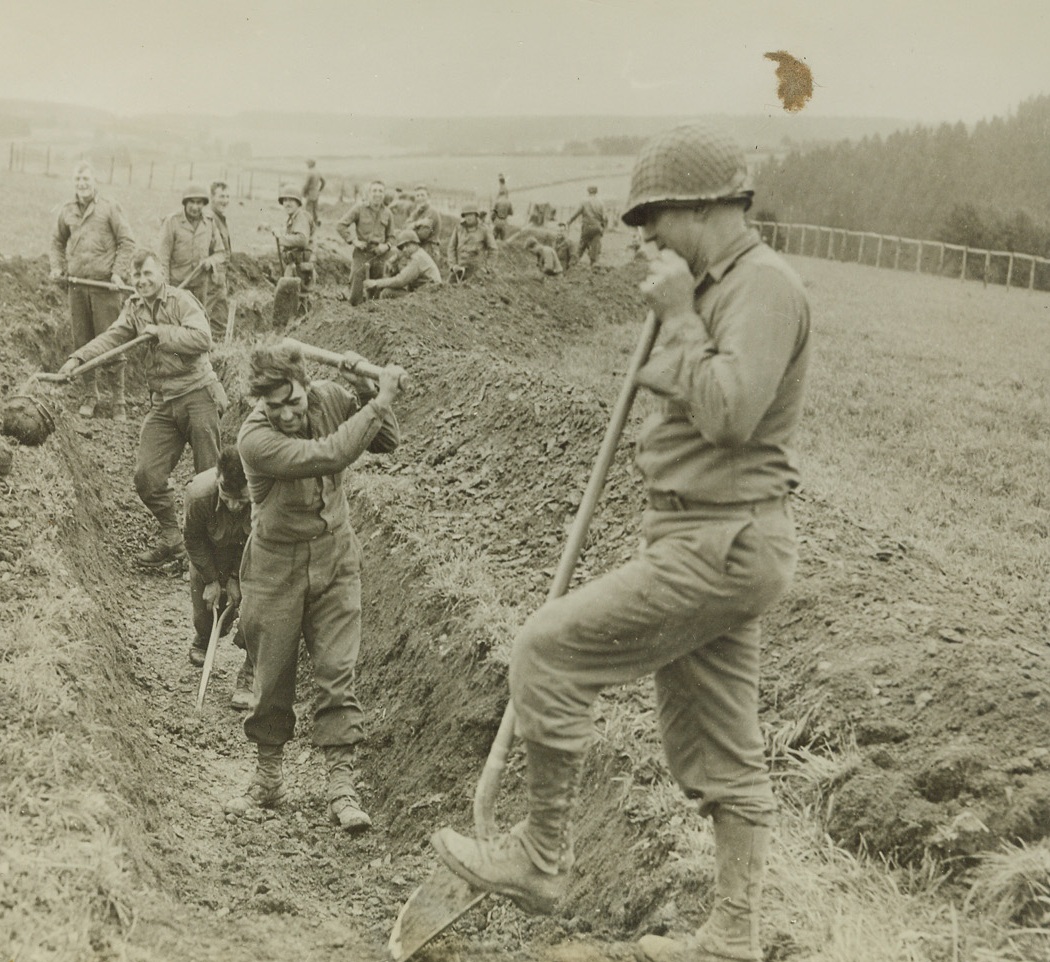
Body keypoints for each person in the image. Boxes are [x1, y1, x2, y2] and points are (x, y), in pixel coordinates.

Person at [431, 122, 811, 962]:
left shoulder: (764, 288)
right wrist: (683, 313)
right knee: (720, 746)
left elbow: (729, 413)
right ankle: (732, 938)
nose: (641, 237)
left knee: (548, 650)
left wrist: (678, 317)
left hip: (722, 538)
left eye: (653, 219)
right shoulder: (717, 286)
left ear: (705, 207)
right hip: (699, 532)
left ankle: (540, 859)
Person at [225, 339, 406, 833]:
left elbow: (386, 441)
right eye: (274, 406)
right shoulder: (254, 440)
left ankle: (341, 786)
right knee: (272, 675)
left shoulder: (328, 397)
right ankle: (268, 778)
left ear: (307, 385)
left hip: (336, 557)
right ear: (258, 404)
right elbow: (327, 455)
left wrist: (368, 387)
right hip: (273, 565)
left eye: (294, 400)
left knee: (336, 671)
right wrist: (381, 400)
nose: (286, 413)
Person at [58, 249, 227, 567]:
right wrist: (77, 359)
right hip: (163, 402)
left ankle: (213, 553)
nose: (142, 280)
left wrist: (161, 332)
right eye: (137, 276)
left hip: (198, 395)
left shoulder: (181, 300)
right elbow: (111, 338)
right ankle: (174, 541)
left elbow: (203, 338)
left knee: (209, 479)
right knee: (146, 476)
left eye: (148, 273)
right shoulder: (133, 307)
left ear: (161, 274)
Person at [49, 161, 137, 420]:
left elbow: (127, 241)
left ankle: (119, 400)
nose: (82, 184)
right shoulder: (67, 211)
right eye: (78, 180)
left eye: (86, 179)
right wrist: (58, 268)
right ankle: (90, 395)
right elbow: (56, 241)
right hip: (77, 287)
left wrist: (118, 273)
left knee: (111, 341)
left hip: (105, 289)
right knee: (83, 342)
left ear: (95, 180)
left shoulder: (109, 208)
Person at [183, 446, 255, 710]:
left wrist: (237, 577)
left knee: (256, 614)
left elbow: (258, 543)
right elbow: (192, 537)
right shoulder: (199, 493)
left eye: (241, 499)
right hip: (210, 556)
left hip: (252, 559)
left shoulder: (265, 495)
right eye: (227, 497)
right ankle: (204, 636)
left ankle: (250, 675)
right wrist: (212, 580)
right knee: (205, 614)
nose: (234, 505)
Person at [157, 183, 226, 309]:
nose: (195, 207)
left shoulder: (209, 223)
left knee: (198, 322)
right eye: (192, 202)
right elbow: (163, 258)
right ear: (185, 203)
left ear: (204, 204)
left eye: (199, 203)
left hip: (200, 287)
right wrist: (165, 288)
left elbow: (221, 253)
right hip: (177, 286)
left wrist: (210, 261)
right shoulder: (172, 222)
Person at [263, 185, 316, 323]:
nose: (287, 203)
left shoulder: (301, 216)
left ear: (298, 202)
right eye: (285, 200)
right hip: (294, 265)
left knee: (292, 298)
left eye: (291, 200)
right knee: (293, 299)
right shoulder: (294, 218)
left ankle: (289, 329)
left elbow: (302, 240)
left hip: (299, 267)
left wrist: (281, 238)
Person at [336, 180, 394, 306]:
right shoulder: (359, 208)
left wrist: (386, 246)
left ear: (384, 194)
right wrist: (354, 241)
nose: (377, 194)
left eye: (380, 191)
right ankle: (354, 314)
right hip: (362, 253)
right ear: (369, 193)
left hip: (380, 255)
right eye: (374, 190)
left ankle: (372, 316)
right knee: (356, 287)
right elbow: (341, 225)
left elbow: (392, 237)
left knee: (376, 291)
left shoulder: (388, 213)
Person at [365, 230, 441, 297]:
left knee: (387, 293)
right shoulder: (418, 254)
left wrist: (376, 283)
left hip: (428, 296)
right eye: (402, 247)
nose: (404, 249)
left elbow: (400, 281)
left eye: (407, 245)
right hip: (428, 293)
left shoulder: (417, 258)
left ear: (415, 243)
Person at [203, 181, 232, 343]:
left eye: (227, 196)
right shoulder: (210, 219)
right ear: (212, 197)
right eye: (221, 196)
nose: (225, 200)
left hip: (220, 275)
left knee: (218, 315)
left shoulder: (220, 218)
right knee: (212, 313)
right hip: (213, 276)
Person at [447, 203, 497, 281]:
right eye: (466, 215)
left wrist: (487, 268)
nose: (468, 217)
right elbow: (451, 247)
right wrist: (453, 265)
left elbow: (493, 249)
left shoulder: (484, 230)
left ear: (476, 215)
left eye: (471, 215)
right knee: (447, 288)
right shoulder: (458, 229)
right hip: (460, 269)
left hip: (477, 271)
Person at [567, 185, 608, 268]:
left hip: (587, 227)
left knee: (581, 246)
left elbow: (576, 213)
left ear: (588, 191)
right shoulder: (601, 202)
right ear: (596, 192)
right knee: (595, 248)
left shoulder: (584, 201)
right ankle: (594, 266)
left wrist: (569, 222)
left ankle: (572, 264)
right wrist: (603, 228)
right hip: (597, 228)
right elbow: (605, 218)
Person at [406, 185, 443, 265]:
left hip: (429, 249)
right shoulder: (416, 213)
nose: (420, 198)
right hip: (419, 248)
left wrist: (411, 228)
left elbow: (422, 235)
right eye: (417, 195)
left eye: (422, 195)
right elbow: (405, 227)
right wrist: (418, 223)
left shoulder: (432, 212)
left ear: (428, 197)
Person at [302, 159, 325, 226]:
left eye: (308, 163)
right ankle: (316, 222)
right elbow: (324, 182)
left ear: (311, 164)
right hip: (316, 193)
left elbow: (306, 185)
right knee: (315, 209)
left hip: (310, 193)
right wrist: (319, 189)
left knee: (308, 209)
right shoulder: (318, 172)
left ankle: (309, 224)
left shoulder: (310, 172)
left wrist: (303, 192)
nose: (307, 165)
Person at [491, 175, 513, 240]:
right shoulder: (508, 202)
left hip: (497, 221)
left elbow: (493, 213)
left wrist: (493, 220)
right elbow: (511, 213)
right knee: (503, 240)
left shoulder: (497, 201)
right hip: (504, 222)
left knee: (493, 239)